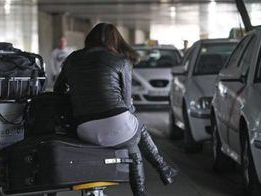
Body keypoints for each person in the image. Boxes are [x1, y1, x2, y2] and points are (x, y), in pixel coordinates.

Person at [54, 23, 178, 196]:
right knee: (135, 136)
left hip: (84, 129)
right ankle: (157, 174)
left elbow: (58, 91)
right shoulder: (121, 60)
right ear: (116, 40)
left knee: (133, 132)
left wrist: (80, 97)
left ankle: (164, 169)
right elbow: (127, 104)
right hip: (116, 123)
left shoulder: (73, 58)